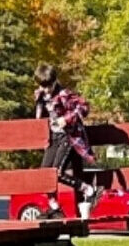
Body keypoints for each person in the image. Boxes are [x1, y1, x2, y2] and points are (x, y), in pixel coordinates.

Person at [33, 63, 97, 215]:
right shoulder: (40, 95)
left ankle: (87, 189)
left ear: (55, 82)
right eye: (43, 86)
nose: (47, 89)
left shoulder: (64, 94)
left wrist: (66, 119)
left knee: (58, 173)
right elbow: (39, 116)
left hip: (67, 136)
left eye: (49, 85)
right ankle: (54, 206)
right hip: (52, 137)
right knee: (45, 174)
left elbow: (84, 107)